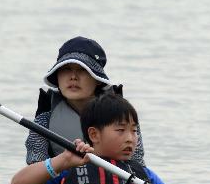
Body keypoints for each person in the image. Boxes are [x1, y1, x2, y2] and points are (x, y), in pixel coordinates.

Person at [11, 93, 200, 184]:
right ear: (94, 134)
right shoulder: (70, 167)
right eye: (121, 130)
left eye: (134, 131)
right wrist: (63, 160)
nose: (131, 138)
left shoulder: (143, 173)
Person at [24, 36, 146, 165]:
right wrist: (64, 161)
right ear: (57, 76)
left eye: (83, 70)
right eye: (66, 69)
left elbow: (138, 166)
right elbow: (34, 166)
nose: (73, 77)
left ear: (98, 79)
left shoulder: (124, 118)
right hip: (62, 181)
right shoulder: (44, 119)